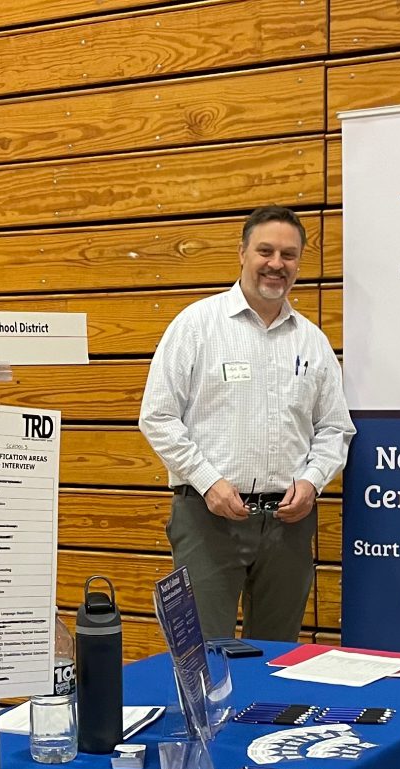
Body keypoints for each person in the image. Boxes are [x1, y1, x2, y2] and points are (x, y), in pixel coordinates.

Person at [139, 206, 355, 641]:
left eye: (289, 255)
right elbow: (157, 416)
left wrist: (312, 482)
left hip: (288, 526)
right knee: (200, 656)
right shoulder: (197, 326)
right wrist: (209, 482)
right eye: (266, 251)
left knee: (277, 655)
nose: (277, 264)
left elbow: (335, 428)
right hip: (207, 518)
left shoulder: (312, 341)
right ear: (242, 253)